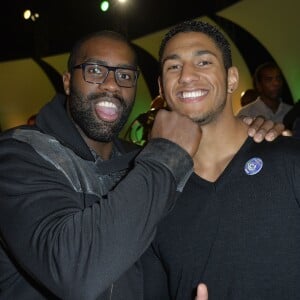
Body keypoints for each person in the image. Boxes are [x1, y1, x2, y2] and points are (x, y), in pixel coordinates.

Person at [0, 29, 287, 300]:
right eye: (95, 70)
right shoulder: (19, 155)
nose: (111, 84)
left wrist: (249, 135)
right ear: (67, 81)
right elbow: (75, 270)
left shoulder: (139, 160)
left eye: (125, 74)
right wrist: (166, 153)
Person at [141, 20, 300, 300]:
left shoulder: (290, 161)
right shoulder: (155, 194)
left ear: (232, 79)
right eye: (173, 67)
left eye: (203, 62)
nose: (187, 76)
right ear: (162, 88)